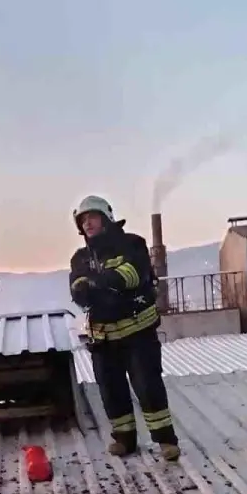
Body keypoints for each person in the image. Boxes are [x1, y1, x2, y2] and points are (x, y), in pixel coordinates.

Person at [67, 196, 181, 461]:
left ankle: (166, 440)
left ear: (106, 218)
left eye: (92, 217)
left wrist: (96, 283)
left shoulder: (132, 244)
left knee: (148, 387)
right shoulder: (80, 258)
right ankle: (124, 439)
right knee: (111, 391)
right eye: (83, 220)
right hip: (103, 338)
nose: (87, 223)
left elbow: (133, 275)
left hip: (138, 333)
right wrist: (100, 286)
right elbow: (77, 290)